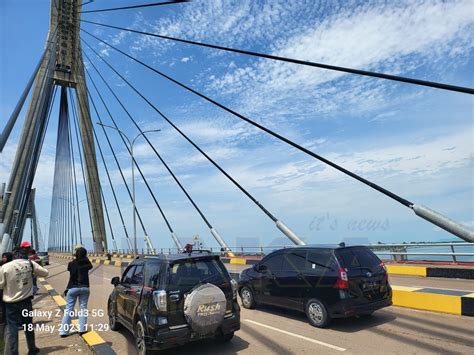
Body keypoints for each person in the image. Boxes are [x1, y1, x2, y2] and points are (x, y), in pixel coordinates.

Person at [0, 247, 48, 355]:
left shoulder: (5, 267)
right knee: (28, 326)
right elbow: (45, 273)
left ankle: (13, 352)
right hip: (26, 302)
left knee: (12, 329)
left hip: (10, 303)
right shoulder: (30, 264)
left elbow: (0, 284)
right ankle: (32, 349)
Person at [59, 247, 92, 337]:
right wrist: (84, 257)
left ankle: (64, 332)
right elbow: (90, 266)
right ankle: (82, 329)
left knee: (69, 310)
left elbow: (70, 268)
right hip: (85, 288)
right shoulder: (87, 263)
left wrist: (76, 258)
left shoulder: (71, 264)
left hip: (73, 288)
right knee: (83, 308)